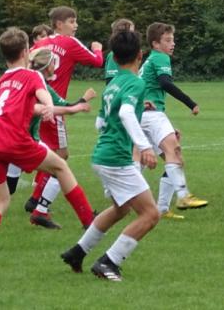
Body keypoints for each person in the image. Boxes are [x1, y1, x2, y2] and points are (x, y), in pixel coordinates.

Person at [0, 27, 95, 250]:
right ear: (26, 52)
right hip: (14, 140)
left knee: (1, 198)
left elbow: (22, 105)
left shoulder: (2, 80)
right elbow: (42, 92)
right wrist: (49, 106)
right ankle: (89, 221)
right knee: (61, 167)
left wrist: (45, 108)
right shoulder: (32, 74)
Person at [60, 30, 159, 282]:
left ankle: (77, 252)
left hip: (102, 155)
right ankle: (108, 262)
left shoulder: (112, 84)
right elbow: (125, 114)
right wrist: (144, 146)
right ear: (140, 55)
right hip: (116, 158)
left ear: (113, 57)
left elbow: (100, 123)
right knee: (150, 214)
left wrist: (137, 108)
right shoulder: (136, 83)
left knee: (121, 208)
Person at [25, 6, 104, 212]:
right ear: (59, 24)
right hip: (54, 106)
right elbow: (97, 62)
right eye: (71, 21)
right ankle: (38, 204)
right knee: (60, 156)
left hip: (34, 105)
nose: (75, 25)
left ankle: (34, 199)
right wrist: (97, 48)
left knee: (44, 150)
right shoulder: (69, 42)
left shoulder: (40, 44)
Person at [139, 22, 207, 220]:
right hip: (152, 115)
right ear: (155, 44)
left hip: (143, 114)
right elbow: (165, 83)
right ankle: (183, 196)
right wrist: (190, 103)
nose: (173, 44)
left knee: (156, 159)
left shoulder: (151, 59)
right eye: (168, 40)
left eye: (173, 40)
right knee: (174, 153)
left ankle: (161, 208)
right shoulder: (160, 57)